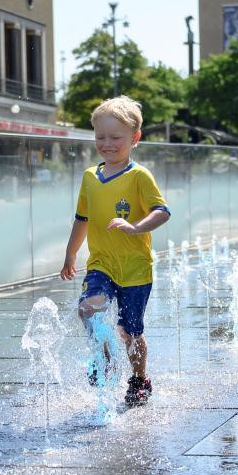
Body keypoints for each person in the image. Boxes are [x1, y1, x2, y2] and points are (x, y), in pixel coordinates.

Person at [60, 96, 170, 407]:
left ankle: (139, 378)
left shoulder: (139, 176)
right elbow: (82, 218)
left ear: (135, 138)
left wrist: (136, 227)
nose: (106, 144)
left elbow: (162, 211)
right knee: (87, 308)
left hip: (135, 267)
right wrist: (70, 255)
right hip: (101, 264)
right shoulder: (90, 177)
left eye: (115, 138)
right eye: (100, 137)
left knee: (129, 331)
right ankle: (103, 358)